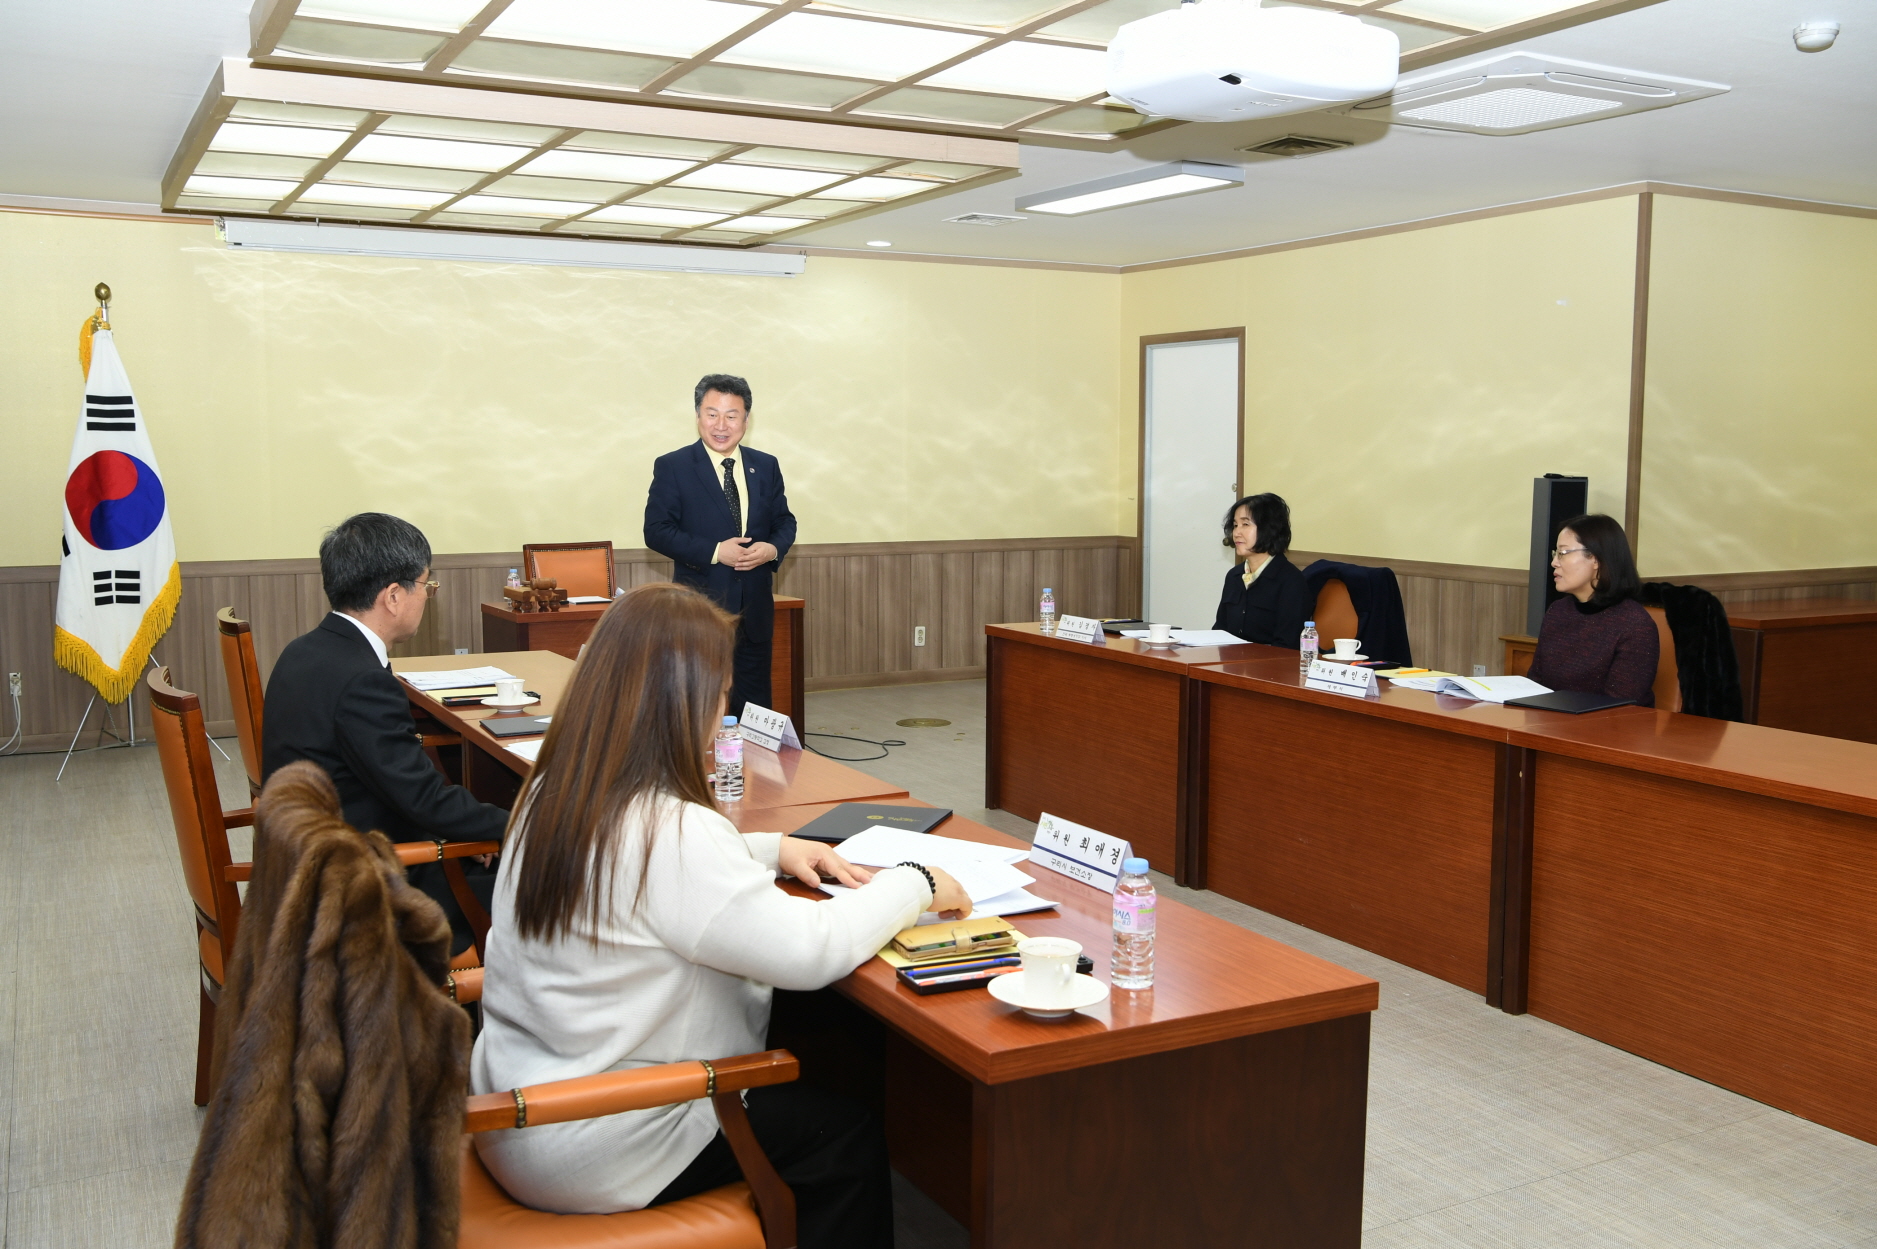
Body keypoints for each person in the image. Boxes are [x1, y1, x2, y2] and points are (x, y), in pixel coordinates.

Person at [470, 582, 970, 1246]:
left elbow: (642, 874)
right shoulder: (670, 830)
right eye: (721, 695)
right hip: (601, 1137)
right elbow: (810, 950)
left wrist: (770, 848)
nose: (723, 715)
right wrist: (915, 881)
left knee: (817, 1041)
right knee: (842, 1135)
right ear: (681, 704)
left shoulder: (555, 792)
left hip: (515, 1109)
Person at [260, 511, 504, 953]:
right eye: (426, 585)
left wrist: (465, 826)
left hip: (309, 862)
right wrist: (526, 820)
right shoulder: (362, 680)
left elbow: (396, 783)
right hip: (359, 891)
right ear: (393, 596)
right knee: (544, 886)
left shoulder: (303, 651)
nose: (428, 596)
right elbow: (424, 801)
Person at [644, 373, 797, 718]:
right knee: (696, 705)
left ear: (746, 420)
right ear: (698, 415)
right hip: (699, 611)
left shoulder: (765, 465)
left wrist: (772, 549)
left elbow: (784, 521)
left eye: (732, 415)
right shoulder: (674, 466)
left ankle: (754, 757)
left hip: (754, 612)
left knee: (754, 707)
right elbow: (656, 530)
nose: (721, 425)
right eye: (712, 414)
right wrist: (715, 551)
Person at [1527, 513, 1660, 706]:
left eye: (1563, 553)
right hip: (1552, 719)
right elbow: (1536, 683)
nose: (1554, 562)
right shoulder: (1558, 611)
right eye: (1555, 553)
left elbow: (1620, 706)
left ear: (1596, 559)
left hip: (1609, 723)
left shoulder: (1635, 625)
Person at [1212, 492, 1310, 647]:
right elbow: (1220, 630)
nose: (1236, 533)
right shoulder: (1234, 576)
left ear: (1269, 529)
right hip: (1231, 660)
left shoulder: (1290, 581)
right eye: (1235, 525)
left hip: (1270, 661)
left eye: (1245, 524)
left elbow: (1287, 645)